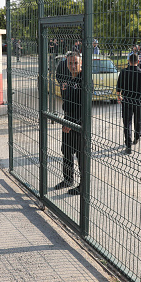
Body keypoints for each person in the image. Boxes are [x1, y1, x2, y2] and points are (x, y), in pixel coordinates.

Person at [54, 52, 83, 196]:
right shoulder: (69, 79)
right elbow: (67, 103)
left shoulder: (84, 80)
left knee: (81, 155)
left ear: (81, 63)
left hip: (79, 124)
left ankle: (83, 186)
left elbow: (83, 107)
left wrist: (72, 123)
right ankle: (68, 179)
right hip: (67, 121)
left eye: (76, 63)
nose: (73, 66)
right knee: (66, 151)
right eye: (70, 63)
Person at [116, 53, 141, 154]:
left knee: (127, 123)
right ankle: (137, 136)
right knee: (138, 120)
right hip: (139, 101)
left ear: (128, 61)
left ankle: (128, 144)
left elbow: (118, 88)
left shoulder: (123, 72)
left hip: (127, 100)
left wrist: (119, 97)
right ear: (138, 62)